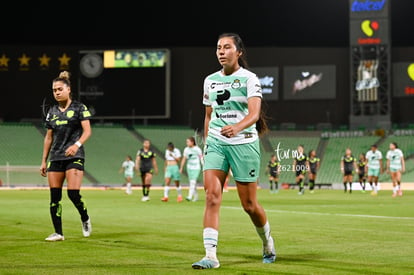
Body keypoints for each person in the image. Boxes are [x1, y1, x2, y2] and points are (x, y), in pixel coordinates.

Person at [192, 33, 276, 270]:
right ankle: (210, 256)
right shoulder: (210, 80)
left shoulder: (250, 79)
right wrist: (208, 142)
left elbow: (254, 114)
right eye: (218, 47)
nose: (221, 51)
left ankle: (267, 242)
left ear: (238, 52)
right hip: (217, 143)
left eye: (227, 47)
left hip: (244, 143)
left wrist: (237, 127)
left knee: (249, 205)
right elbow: (208, 116)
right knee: (211, 196)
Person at [40, 71, 92, 242]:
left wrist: (76, 145)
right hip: (56, 157)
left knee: (73, 193)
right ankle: (59, 233)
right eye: (54, 90)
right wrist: (43, 160)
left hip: (75, 156)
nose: (57, 92)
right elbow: (49, 137)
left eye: (60, 89)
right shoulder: (52, 112)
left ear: (68, 89)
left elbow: (87, 131)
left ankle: (84, 218)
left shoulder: (79, 108)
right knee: (55, 197)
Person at [180, 136, 203, 202]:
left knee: (192, 182)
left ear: (192, 142)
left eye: (188, 142)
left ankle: (189, 196)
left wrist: (203, 166)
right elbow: (184, 158)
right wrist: (181, 167)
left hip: (196, 167)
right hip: (189, 167)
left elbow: (201, 157)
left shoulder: (197, 149)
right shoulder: (186, 149)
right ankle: (196, 197)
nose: (187, 143)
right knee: (193, 182)